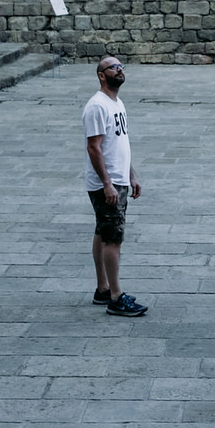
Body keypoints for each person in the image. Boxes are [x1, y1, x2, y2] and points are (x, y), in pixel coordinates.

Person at [84, 55, 147, 317]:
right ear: (101, 75)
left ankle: (102, 288)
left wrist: (131, 174)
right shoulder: (97, 106)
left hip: (119, 180)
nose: (119, 70)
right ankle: (115, 296)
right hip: (107, 184)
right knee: (113, 239)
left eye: (121, 66)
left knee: (103, 231)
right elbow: (94, 147)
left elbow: (119, 143)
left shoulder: (116, 102)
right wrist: (107, 184)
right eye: (113, 67)